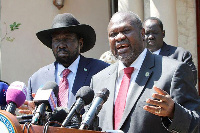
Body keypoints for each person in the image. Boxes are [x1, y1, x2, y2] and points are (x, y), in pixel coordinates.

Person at [89, 11, 200, 133]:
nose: (119, 37)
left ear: (142, 34)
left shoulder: (173, 71)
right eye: (113, 34)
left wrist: (174, 112)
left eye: (126, 31)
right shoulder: (98, 80)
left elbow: (196, 125)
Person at [19, 13, 109, 113]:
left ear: (80, 43)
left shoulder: (100, 71)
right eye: (56, 40)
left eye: (67, 39)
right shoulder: (36, 79)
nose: (61, 45)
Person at [143, 17, 197, 85]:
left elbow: (191, 80)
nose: (151, 36)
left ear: (163, 33)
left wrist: (171, 95)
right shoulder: (138, 57)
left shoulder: (180, 54)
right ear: (142, 35)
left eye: (155, 32)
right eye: (147, 33)